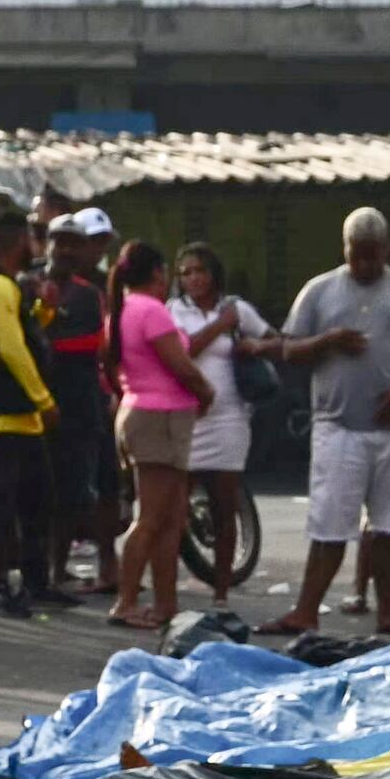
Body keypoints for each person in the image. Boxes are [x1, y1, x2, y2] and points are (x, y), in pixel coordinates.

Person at [270, 208, 390, 639]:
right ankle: (305, 611)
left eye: (372, 256)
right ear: (344, 248)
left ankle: (388, 611)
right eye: (356, 255)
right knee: (329, 525)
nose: (364, 264)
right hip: (339, 424)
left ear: (386, 250)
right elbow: (288, 350)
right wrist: (328, 341)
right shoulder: (320, 291)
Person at [106, 237, 213, 630]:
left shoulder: (124, 309)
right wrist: (205, 390)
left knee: (171, 518)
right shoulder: (150, 311)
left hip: (149, 414)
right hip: (159, 418)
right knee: (151, 517)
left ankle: (166, 603)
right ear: (156, 273)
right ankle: (127, 600)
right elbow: (179, 364)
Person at [0, 209, 59, 617]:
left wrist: (44, 311)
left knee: (37, 503)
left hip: (21, 420)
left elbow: (26, 334)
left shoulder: (10, 286)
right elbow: (11, 349)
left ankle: (36, 582)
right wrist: (44, 399)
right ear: (20, 242)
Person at [172, 240, 270, 603]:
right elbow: (183, 350)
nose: (193, 279)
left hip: (229, 417)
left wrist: (255, 345)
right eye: (185, 274)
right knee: (174, 507)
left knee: (223, 505)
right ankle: (169, 587)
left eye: (199, 271)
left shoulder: (237, 308)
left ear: (214, 274)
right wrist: (220, 327)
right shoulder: (174, 311)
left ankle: (222, 592)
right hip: (187, 417)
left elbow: (273, 339)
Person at [37, 210, 119, 599]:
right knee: (35, 493)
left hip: (80, 403)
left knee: (72, 494)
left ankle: (56, 571)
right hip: (37, 404)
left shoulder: (88, 294)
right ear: (47, 244)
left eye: (74, 243)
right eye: (60, 241)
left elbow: (91, 345)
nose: (66, 250)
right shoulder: (29, 284)